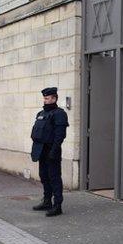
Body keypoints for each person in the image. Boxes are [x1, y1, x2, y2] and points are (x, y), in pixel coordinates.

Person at [30, 87, 69, 217]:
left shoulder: (59, 114)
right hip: (41, 150)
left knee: (54, 178)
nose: (45, 101)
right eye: (45, 98)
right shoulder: (41, 113)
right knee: (44, 176)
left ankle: (57, 205)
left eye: (47, 98)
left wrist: (54, 150)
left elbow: (60, 135)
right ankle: (47, 201)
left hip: (52, 150)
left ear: (54, 98)